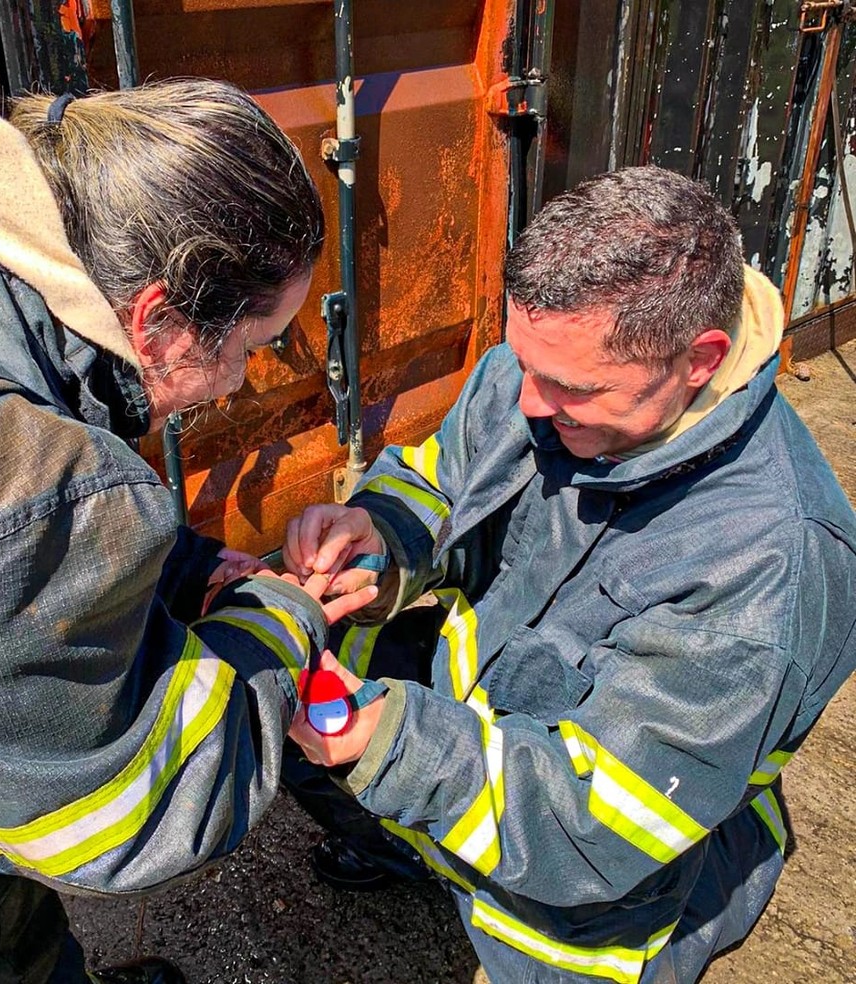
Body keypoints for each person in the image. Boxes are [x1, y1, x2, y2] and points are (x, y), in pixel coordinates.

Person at [283, 166, 856, 983]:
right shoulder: (549, 374)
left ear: (700, 359)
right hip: (489, 737)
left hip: (601, 892)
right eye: (523, 365)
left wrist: (397, 746)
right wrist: (380, 537)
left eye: (572, 389)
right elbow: (444, 481)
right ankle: (420, 852)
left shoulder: (769, 566)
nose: (526, 404)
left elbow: (596, 827)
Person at [0, 80, 377, 984]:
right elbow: (138, 807)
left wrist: (182, 568)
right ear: (159, 322)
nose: (241, 382)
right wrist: (283, 616)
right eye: (252, 348)